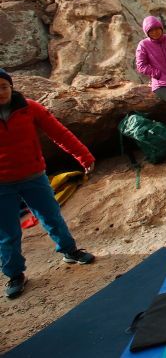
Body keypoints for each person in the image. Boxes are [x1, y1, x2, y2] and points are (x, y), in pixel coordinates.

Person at [0, 69, 96, 300]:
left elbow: (59, 133)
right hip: (2, 184)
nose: (0, 91)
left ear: (11, 87)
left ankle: (70, 251)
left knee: (51, 216)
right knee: (7, 232)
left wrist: (84, 156)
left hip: (33, 176)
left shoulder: (29, 107)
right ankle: (15, 275)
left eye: (3, 86)